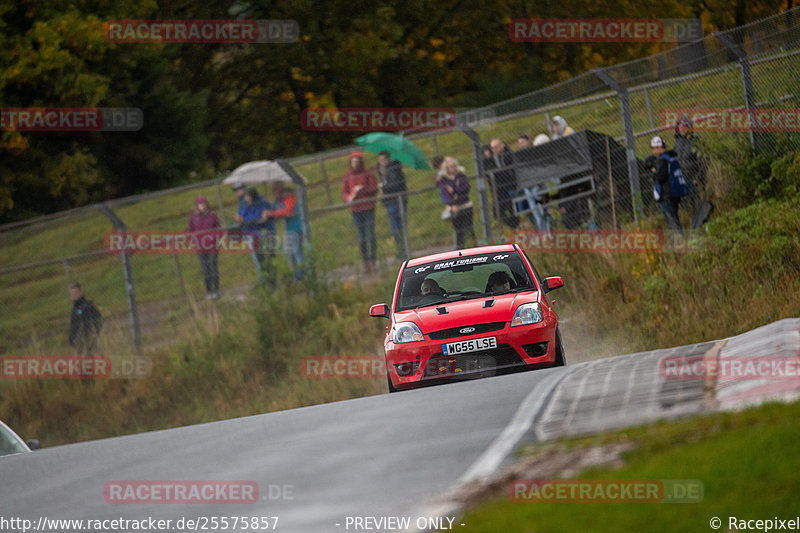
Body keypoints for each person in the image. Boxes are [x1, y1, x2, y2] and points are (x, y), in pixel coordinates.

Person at [342, 152, 379, 273]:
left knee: (370, 235)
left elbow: (374, 189)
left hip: (368, 208)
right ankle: (365, 262)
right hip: (356, 210)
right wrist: (349, 196)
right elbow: (345, 192)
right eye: (353, 161)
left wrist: (364, 190)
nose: (355, 164)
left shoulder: (368, 174)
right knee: (361, 237)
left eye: (357, 161)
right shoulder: (348, 176)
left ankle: (373, 260)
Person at [265, 182, 304, 281]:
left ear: (280, 190)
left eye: (276, 191)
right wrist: (267, 213)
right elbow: (274, 210)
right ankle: (297, 275)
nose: (275, 194)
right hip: (288, 229)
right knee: (288, 252)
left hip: (296, 227)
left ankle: (302, 275)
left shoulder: (289, 196)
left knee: (296, 252)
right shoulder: (278, 201)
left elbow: (287, 211)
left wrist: (272, 213)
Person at [437, 157, 476, 249]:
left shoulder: (461, 176)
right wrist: (452, 204)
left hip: (465, 204)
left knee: (468, 227)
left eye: (454, 166)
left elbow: (465, 188)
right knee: (458, 229)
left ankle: (473, 246)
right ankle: (460, 248)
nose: (453, 168)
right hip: (454, 207)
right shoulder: (444, 179)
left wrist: (454, 189)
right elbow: (446, 193)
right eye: (450, 167)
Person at [188, 196, 221, 299]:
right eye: (200, 204)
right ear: (197, 206)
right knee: (205, 270)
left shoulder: (212, 216)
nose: (202, 206)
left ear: (207, 204)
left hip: (212, 247)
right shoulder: (193, 217)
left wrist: (213, 239)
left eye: (204, 204)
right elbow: (190, 231)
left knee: (213, 268)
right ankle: (209, 291)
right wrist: (195, 241)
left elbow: (219, 229)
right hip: (200, 248)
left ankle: (216, 291)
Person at [376, 151, 408, 260]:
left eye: (384, 160)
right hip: (390, 202)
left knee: (397, 228)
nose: (382, 162)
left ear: (388, 159)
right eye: (380, 160)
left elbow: (395, 185)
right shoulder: (384, 171)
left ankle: (403, 251)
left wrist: (383, 187)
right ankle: (401, 251)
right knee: (395, 229)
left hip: (396, 202)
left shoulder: (393, 169)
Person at [651, 136, 684, 238]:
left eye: (654, 148)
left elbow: (660, 177)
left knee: (672, 222)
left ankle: (679, 243)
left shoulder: (662, 161)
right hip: (675, 193)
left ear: (659, 147)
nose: (653, 151)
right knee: (675, 218)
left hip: (666, 195)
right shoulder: (672, 157)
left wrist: (654, 173)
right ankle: (681, 240)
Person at [240, 187, 275, 283]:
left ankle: (267, 281)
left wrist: (244, 220)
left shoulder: (261, 203)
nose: (245, 198)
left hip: (262, 234)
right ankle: (263, 280)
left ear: (252, 196)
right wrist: (240, 219)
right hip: (252, 235)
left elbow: (258, 218)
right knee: (258, 260)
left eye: (247, 196)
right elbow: (242, 215)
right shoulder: (247, 204)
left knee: (265, 259)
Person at [673, 114, 707, 206]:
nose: (682, 128)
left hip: (693, 179)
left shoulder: (695, 141)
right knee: (685, 204)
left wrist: (698, 178)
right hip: (681, 180)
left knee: (697, 203)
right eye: (680, 126)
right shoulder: (676, 143)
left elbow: (704, 162)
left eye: (685, 126)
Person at [485, 138, 519, 228]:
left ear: (501, 146)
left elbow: (511, 172)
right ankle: (513, 225)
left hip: (510, 185)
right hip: (499, 188)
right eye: (492, 148)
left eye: (496, 147)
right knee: (497, 212)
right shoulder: (491, 159)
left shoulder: (508, 154)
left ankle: (515, 225)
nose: (494, 150)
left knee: (510, 207)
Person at [68, 283, 102, 355]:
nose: (74, 295)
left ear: (81, 292)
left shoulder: (87, 306)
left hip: (87, 340)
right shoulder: (75, 309)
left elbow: (98, 320)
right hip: (78, 342)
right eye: (72, 294)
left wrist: (92, 334)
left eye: (76, 293)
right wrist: (72, 339)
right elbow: (74, 325)